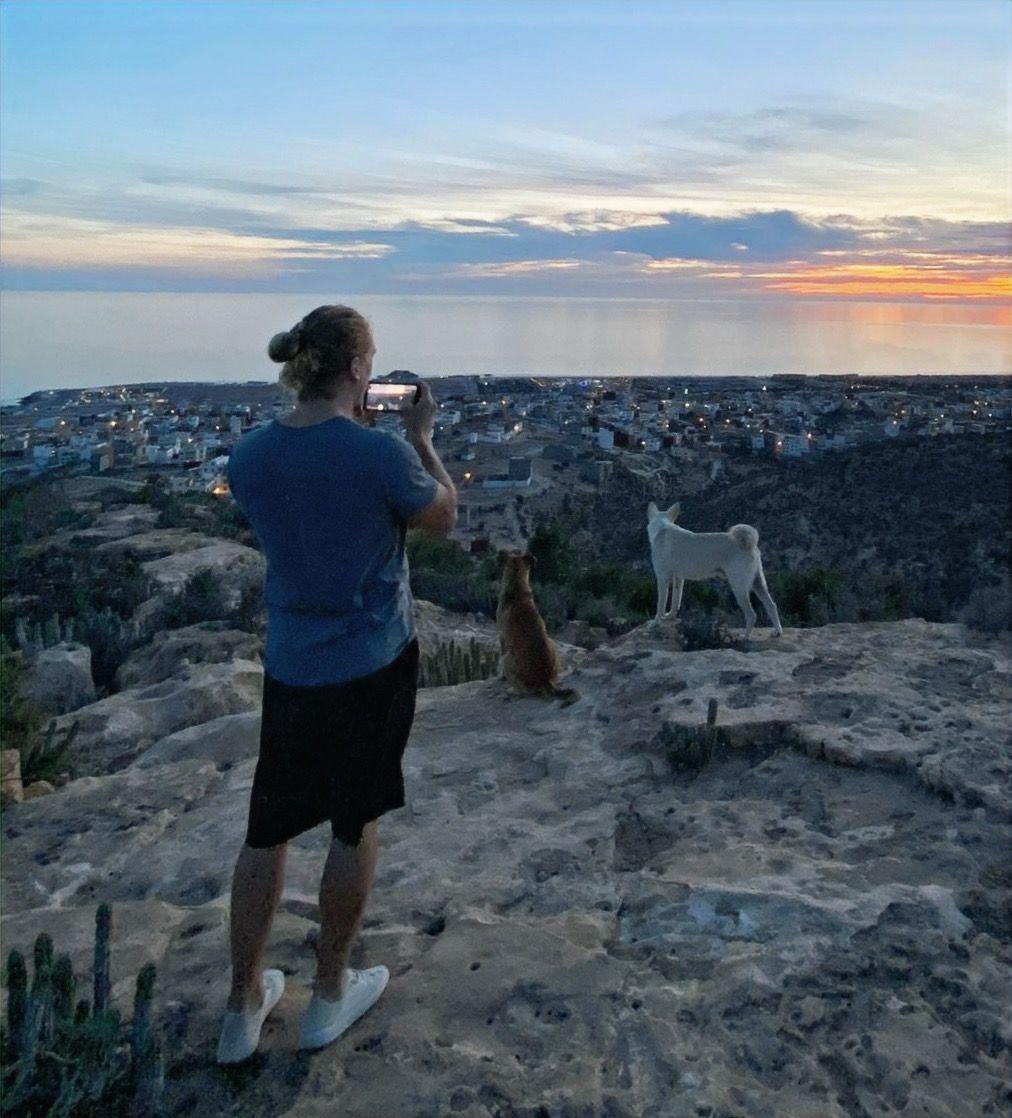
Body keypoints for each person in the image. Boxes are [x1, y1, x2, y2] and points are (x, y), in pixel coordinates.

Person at [216, 304, 457, 1063]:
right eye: (372, 361)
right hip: (371, 661)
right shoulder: (378, 454)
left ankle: (242, 1005)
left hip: (291, 663)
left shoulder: (249, 459)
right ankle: (328, 994)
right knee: (354, 824)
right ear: (356, 368)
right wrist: (422, 439)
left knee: (268, 829)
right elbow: (443, 517)